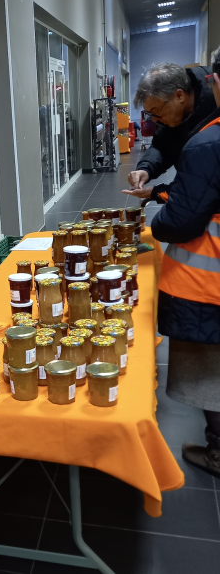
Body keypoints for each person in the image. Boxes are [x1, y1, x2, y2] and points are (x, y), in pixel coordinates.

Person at [150, 45, 220, 476]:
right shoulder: (199, 128)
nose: (157, 122)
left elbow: (184, 217)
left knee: (210, 366)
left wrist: (160, 217)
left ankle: (217, 450)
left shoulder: (208, 139)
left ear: (182, 95)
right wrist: (153, 177)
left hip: (205, 283)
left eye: (159, 112)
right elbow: (163, 146)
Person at [125, 63, 215, 200]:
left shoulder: (215, 105)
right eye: (151, 114)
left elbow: (204, 187)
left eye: (157, 112)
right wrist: (145, 169)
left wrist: (158, 192)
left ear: (179, 96)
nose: (155, 120)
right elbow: (161, 144)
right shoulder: (170, 112)